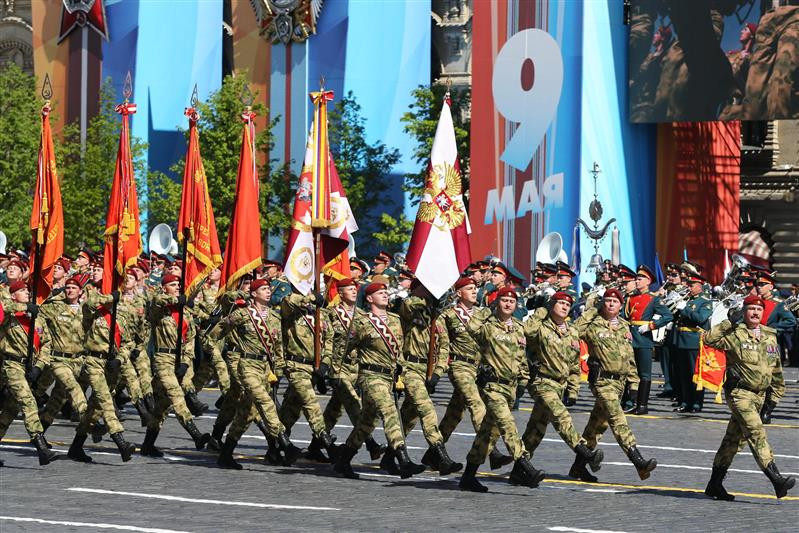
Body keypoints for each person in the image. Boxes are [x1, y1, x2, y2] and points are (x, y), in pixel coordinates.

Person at [704, 294, 794, 500]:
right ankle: (776, 479)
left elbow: (776, 370)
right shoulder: (735, 334)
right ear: (743, 312)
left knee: (733, 441)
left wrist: (773, 401)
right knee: (756, 432)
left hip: (760, 397)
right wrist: (729, 320)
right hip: (740, 394)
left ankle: (714, 485)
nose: (754, 313)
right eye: (750, 309)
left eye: (758, 309)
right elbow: (709, 339)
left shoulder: (769, 335)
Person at [333, 282, 427, 480]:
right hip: (370, 376)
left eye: (386, 292)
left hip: (389, 376)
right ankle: (403, 459)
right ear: (369, 299)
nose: (385, 295)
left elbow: (399, 350)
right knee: (390, 411)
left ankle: (343, 461)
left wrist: (399, 375)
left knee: (366, 422)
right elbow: (343, 348)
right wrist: (336, 372)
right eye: (379, 293)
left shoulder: (395, 320)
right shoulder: (362, 322)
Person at [458, 286, 545, 493]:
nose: (507, 304)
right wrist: (487, 310)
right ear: (497, 302)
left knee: (487, 434)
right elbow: (471, 327)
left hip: (510, 387)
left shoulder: (518, 327)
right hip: (492, 385)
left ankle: (468, 476)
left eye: (511, 301)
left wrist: (523, 381)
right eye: (504, 300)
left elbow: (521, 357)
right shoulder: (487, 325)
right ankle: (526, 466)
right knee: (507, 425)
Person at [209, 278, 302, 469]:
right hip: (247, 365)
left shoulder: (275, 317)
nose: (268, 292)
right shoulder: (242, 314)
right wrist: (215, 354)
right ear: (254, 294)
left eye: (269, 289)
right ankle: (286, 444)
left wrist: (277, 371)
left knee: (246, 414)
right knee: (266, 403)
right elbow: (214, 334)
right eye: (263, 289)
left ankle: (226, 453)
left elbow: (278, 348)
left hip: (265, 368)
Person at [569, 288, 657, 482]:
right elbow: (574, 330)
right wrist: (592, 310)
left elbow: (629, 357)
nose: (610, 304)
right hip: (602, 381)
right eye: (607, 301)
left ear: (620, 305)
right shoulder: (592, 325)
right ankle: (639, 462)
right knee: (618, 420)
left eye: (614, 302)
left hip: (619, 384)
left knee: (596, 427)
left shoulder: (624, 327)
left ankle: (578, 467)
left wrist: (634, 384)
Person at [521, 291, 604, 474]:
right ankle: (585, 452)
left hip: (560, 385)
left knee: (536, 430)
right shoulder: (541, 327)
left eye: (567, 305)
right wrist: (542, 309)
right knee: (561, 417)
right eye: (560, 303)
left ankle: (520, 469)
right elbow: (527, 331)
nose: (565, 307)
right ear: (552, 305)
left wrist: (573, 390)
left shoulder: (571, 331)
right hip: (541, 382)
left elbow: (574, 364)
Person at [139, 274, 218, 457]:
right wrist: (177, 300)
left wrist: (185, 361)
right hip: (163, 358)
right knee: (176, 395)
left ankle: (147, 444)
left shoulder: (185, 311)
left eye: (178, 285)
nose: (176, 287)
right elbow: (156, 301)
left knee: (162, 406)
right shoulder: (160, 309)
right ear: (164, 287)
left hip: (180, 359)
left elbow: (190, 339)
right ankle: (196, 434)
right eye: (172, 285)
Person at [438, 276, 512, 470]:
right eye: (469, 288)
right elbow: (443, 344)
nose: (474, 291)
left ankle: (433, 452)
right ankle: (492, 451)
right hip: (460, 366)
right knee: (476, 404)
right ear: (458, 293)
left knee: (454, 413)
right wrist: (439, 369)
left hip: (478, 369)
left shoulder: (482, 314)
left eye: (475, 288)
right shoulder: (449, 315)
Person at [398, 280, 462, 476]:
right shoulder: (411, 309)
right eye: (425, 288)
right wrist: (427, 300)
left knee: (408, 416)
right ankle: (440, 455)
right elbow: (407, 305)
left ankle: (389, 455)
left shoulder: (438, 318)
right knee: (427, 410)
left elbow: (444, 349)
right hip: (410, 367)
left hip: (427, 369)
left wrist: (437, 373)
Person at [322, 278, 386, 460]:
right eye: (349, 289)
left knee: (335, 409)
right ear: (340, 293)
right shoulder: (331, 314)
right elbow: (325, 339)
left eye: (354, 289)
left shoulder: (361, 315)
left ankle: (316, 443)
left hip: (356, 367)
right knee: (353, 403)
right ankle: (370, 443)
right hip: (338, 366)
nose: (353, 291)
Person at [0, 281, 58, 465]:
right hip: (12, 365)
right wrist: (24, 307)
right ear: (14, 295)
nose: (26, 293)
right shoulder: (9, 315)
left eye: (27, 290)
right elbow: (5, 306)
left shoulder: (36, 317)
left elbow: (47, 343)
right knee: (28, 402)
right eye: (21, 291)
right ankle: (41, 447)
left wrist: (39, 366)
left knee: (10, 411)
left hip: (30, 368)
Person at [277, 288, 337, 462]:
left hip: (313, 367)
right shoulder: (292, 310)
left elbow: (329, 340)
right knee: (311, 403)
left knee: (291, 410)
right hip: (295, 365)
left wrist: (325, 364)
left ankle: (275, 445)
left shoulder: (322, 314)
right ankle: (326, 442)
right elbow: (288, 302)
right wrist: (310, 297)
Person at [624, 265, 673, 414]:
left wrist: (651, 326)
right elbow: (626, 317)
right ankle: (628, 402)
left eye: (640, 279)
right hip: (630, 337)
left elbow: (668, 316)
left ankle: (642, 405)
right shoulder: (631, 298)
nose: (637, 282)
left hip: (644, 338)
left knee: (644, 374)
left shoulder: (653, 299)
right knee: (628, 372)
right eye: (636, 279)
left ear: (648, 281)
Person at [672, 272, 712, 413]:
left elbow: (700, 318)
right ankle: (684, 401)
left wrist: (685, 309)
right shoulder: (687, 299)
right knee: (683, 374)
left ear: (700, 286)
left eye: (692, 285)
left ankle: (696, 402)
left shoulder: (705, 301)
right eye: (688, 284)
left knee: (695, 374)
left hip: (693, 341)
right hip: (680, 340)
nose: (688, 287)